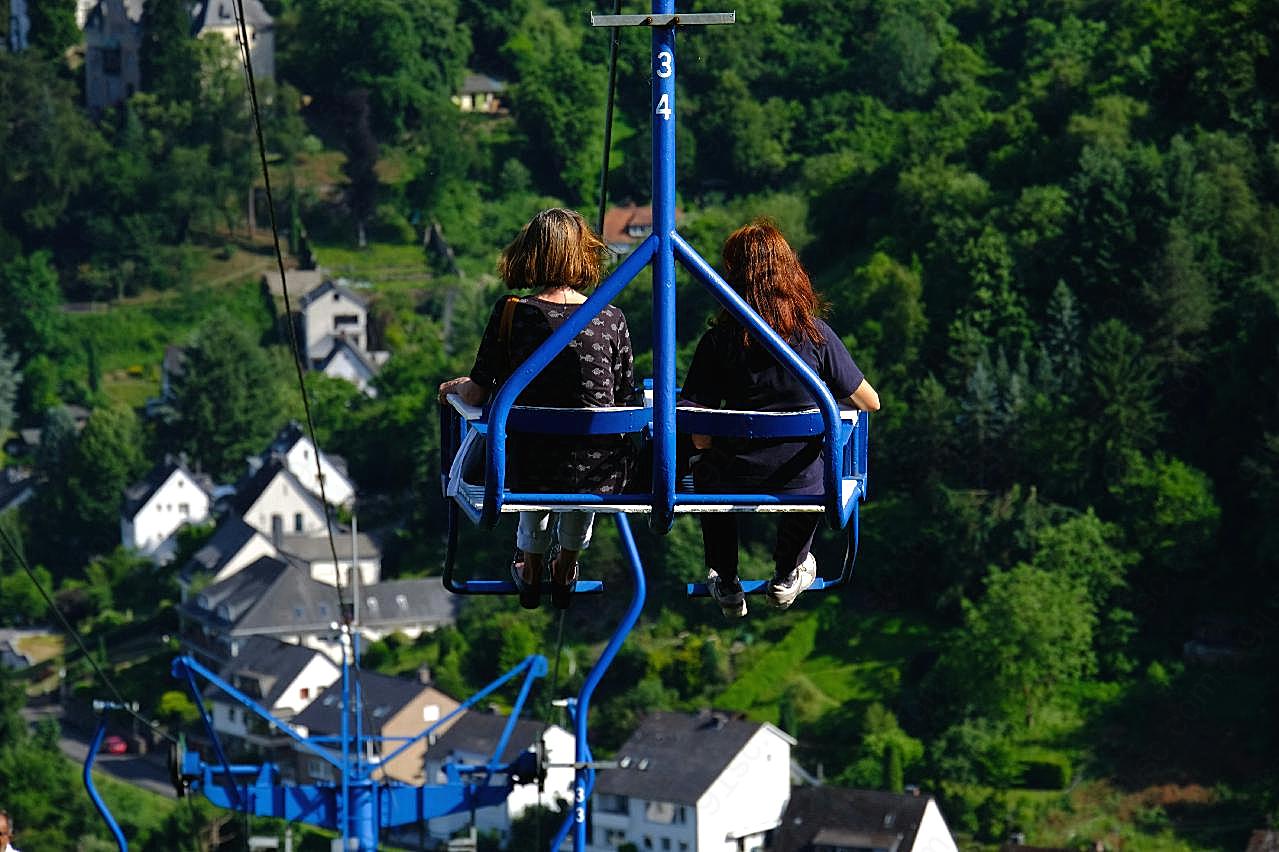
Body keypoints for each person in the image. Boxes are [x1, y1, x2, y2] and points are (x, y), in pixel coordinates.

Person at [679, 219, 880, 618]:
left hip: (732, 476)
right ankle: (788, 571)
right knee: (812, 469)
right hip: (800, 480)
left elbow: (699, 436)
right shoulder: (815, 334)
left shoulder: (718, 342)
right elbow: (869, 401)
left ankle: (725, 575)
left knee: (705, 470)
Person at [438, 209, 634, 610]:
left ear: (531, 254)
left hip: (528, 463)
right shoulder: (610, 317)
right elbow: (624, 399)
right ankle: (566, 564)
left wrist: (455, 388)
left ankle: (530, 563)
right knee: (584, 456)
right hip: (599, 469)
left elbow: (477, 392)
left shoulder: (512, 313)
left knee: (533, 455)